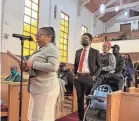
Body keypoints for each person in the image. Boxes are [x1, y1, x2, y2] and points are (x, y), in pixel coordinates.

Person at [22, 27, 60, 121]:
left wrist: (33, 64)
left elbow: (53, 67)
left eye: (39, 35)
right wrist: (27, 67)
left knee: (43, 117)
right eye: (36, 35)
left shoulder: (52, 49)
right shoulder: (42, 50)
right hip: (37, 87)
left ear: (48, 37)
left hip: (46, 88)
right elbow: (36, 67)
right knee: (35, 117)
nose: (36, 38)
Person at [74, 33, 101, 121]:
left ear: (90, 40)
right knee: (79, 100)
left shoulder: (95, 52)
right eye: (82, 38)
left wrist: (94, 76)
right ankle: (80, 118)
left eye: (85, 38)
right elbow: (75, 65)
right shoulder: (78, 51)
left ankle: (88, 118)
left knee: (89, 99)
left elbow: (99, 66)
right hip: (78, 78)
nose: (83, 39)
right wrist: (75, 74)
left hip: (89, 77)